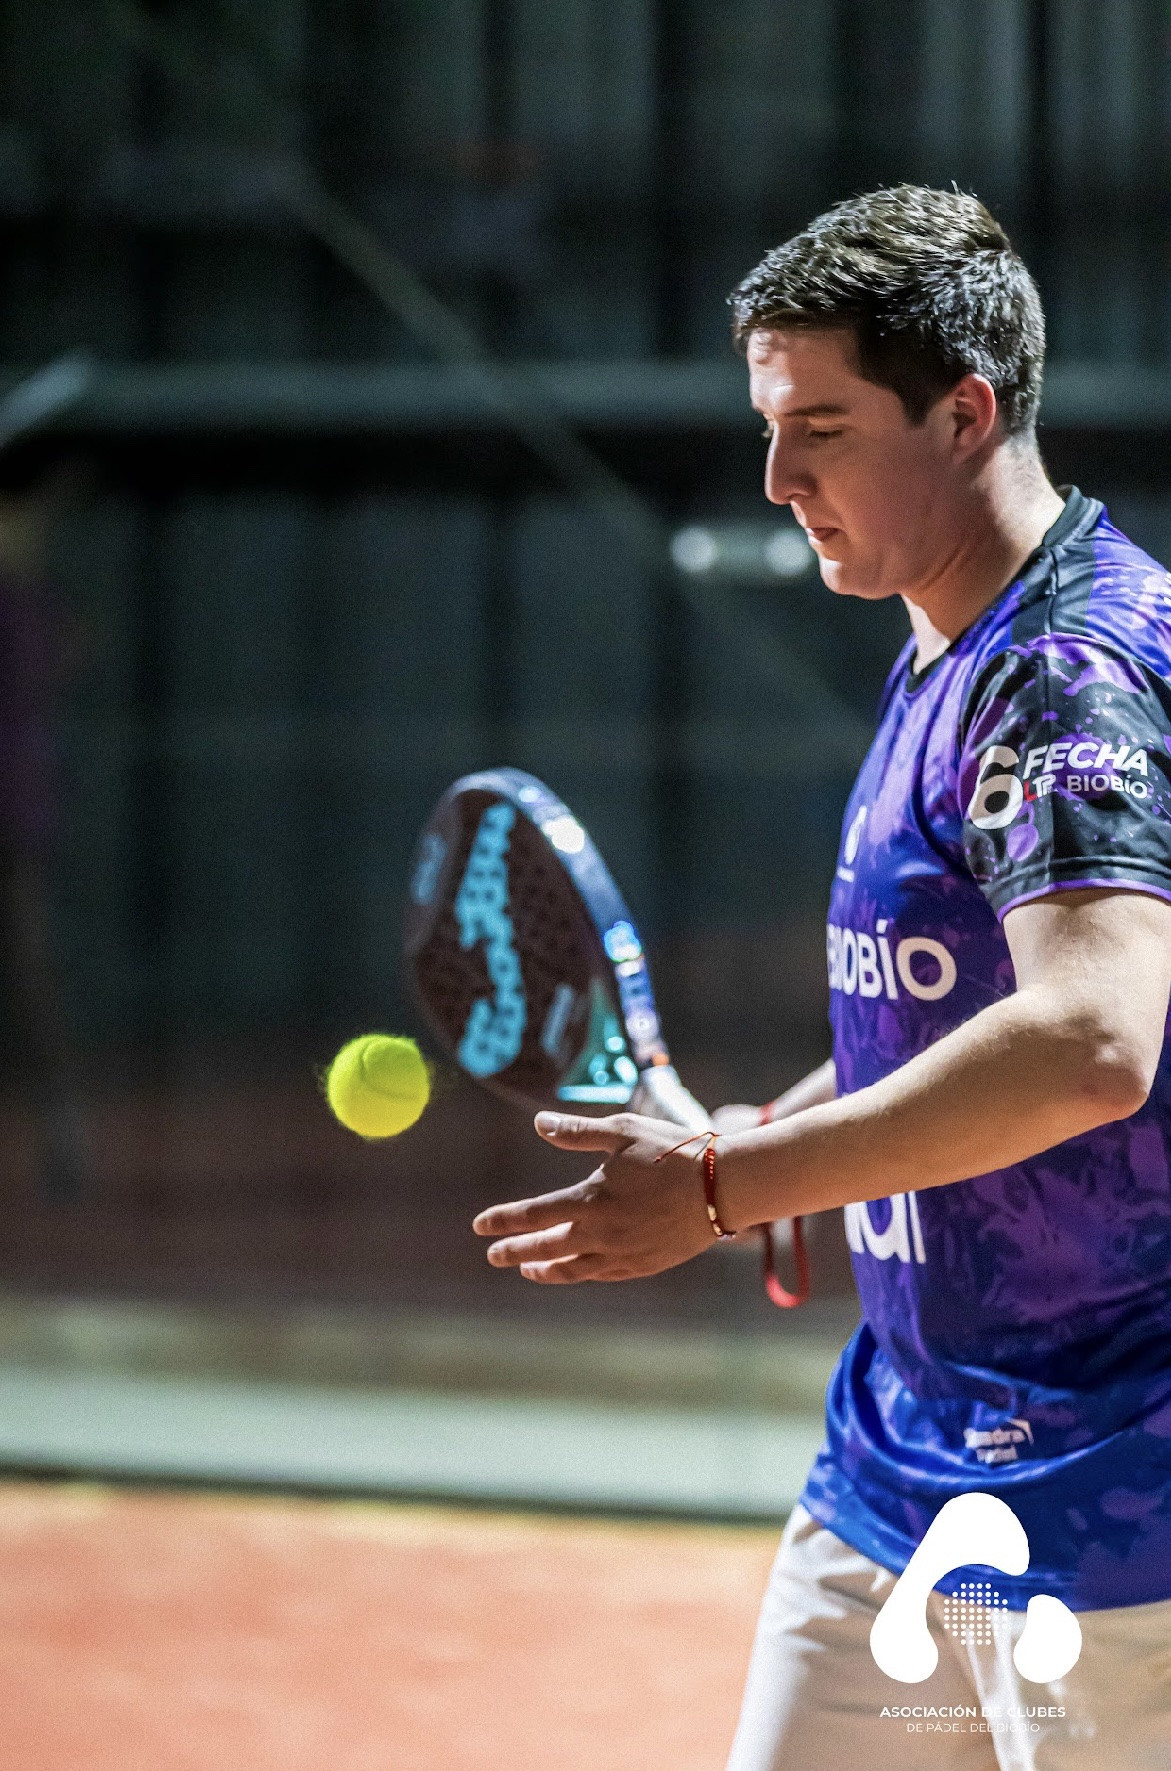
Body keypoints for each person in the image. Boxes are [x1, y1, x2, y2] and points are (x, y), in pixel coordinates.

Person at [473, 186, 1171, 1768]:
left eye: (824, 430)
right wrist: (793, 1137)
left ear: (966, 415)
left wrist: (730, 1185)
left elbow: (1091, 1039)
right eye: (770, 428)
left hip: (1122, 1494)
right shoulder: (954, 642)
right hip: (901, 1452)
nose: (779, 480)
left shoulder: (1066, 674)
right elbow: (965, 1006)